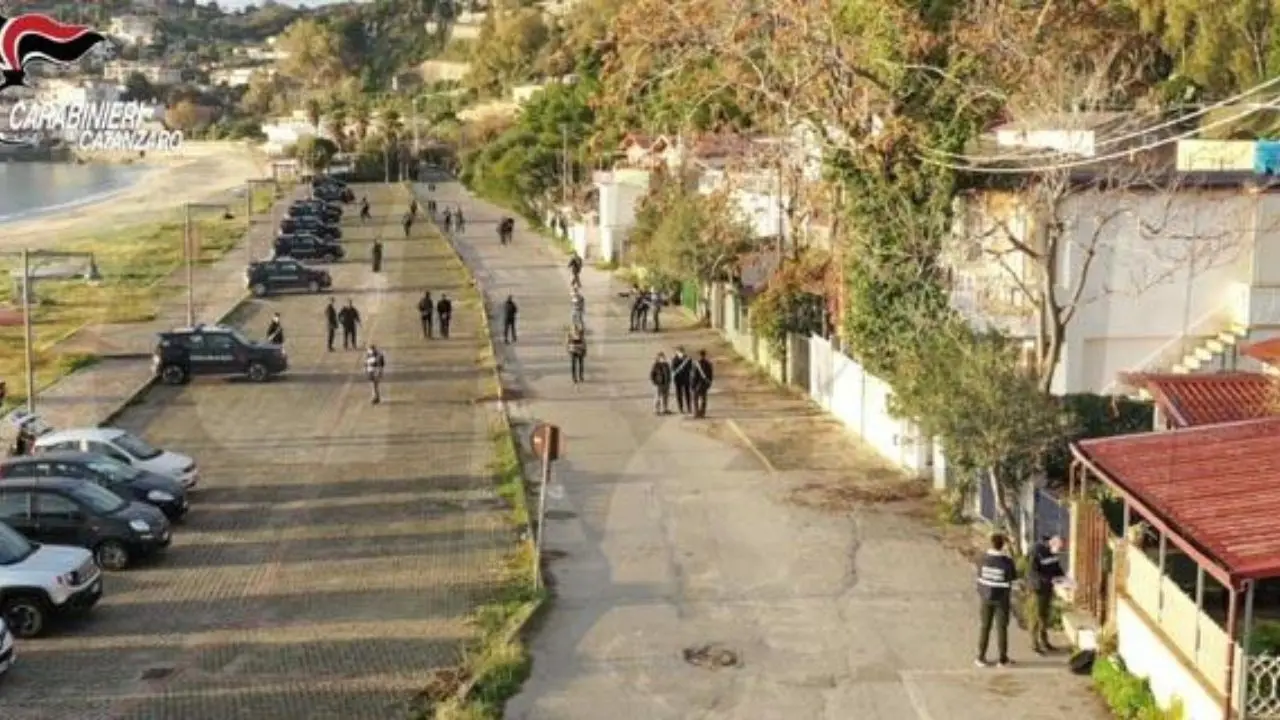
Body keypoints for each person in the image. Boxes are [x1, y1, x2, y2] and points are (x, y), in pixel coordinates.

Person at [976, 532, 1018, 668]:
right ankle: (1002, 659)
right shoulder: (1006, 562)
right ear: (1003, 545)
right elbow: (1013, 577)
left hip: (985, 597)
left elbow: (980, 574)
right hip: (1001, 599)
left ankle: (981, 657)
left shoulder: (982, 558)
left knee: (985, 627)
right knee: (1001, 628)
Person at [1027, 535, 1066, 654]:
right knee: (1037, 616)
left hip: (1048, 587)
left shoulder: (1052, 552)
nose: (1057, 552)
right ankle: (1034, 643)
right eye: (1057, 548)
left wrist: (1064, 579)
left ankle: (1044, 641)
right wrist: (1048, 579)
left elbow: (1056, 568)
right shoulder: (1036, 551)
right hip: (1038, 588)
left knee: (1044, 615)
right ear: (1051, 543)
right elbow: (1033, 572)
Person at [691, 350, 714, 417]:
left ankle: (696, 412)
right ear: (704, 355)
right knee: (703, 399)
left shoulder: (695, 364)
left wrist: (692, 385)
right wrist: (709, 384)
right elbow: (710, 375)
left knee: (695, 399)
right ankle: (702, 413)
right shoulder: (708, 364)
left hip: (697, 384)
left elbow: (693, 376)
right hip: (704, 384)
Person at [671, 347, 693, 415]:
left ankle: (689, 407)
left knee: (687, 393)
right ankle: (680, 408)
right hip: (678, 379)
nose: (681, 353)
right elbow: (673, 369)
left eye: (682, 352)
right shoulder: (674, 359)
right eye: (679, 352)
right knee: (679, 394)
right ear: (677, 352)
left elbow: (691, 368)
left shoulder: (688, 359)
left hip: (686, 378)